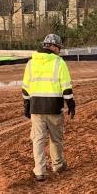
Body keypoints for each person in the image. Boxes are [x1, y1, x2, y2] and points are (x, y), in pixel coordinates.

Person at [22, 34, 75, 181]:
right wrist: (71, 104)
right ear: (52, 47)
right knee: (56, 138)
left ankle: (39, 170)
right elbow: (66, 88)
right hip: (54, 107)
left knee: (38, 139)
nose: (59, 51)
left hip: (36, 107)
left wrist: (26, 106)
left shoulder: (31, 63)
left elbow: (25, 89)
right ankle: (57, 165)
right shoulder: (59, 63)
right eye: (58, 48)